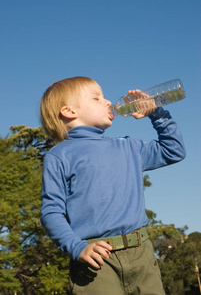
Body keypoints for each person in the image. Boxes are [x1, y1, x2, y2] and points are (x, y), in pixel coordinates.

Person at [40, 76, 186, 295]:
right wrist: (77, 248)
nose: (108, 102)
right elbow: (51, 212)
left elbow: (173, 150)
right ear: (70, 111)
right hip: (96, 261)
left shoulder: (128, 147)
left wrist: (156, 113)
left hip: (142, 254)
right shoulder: (58, 156)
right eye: (97, 98)